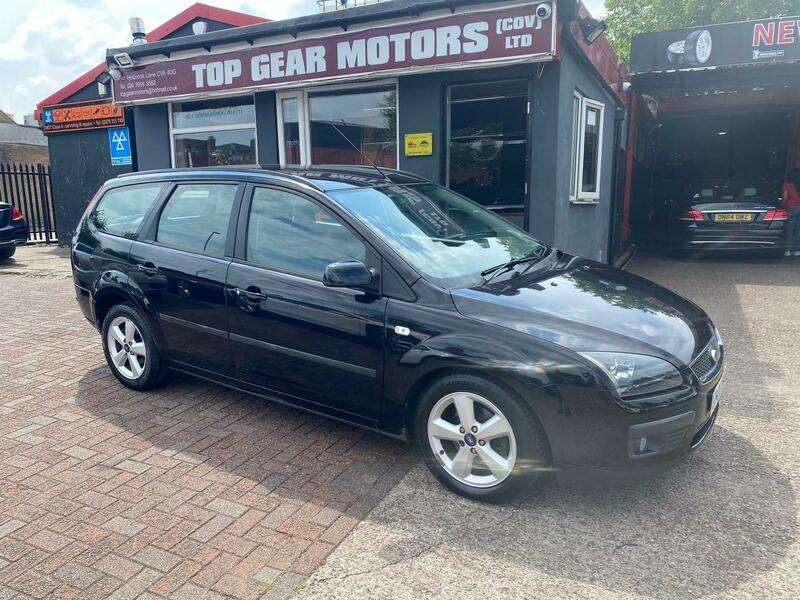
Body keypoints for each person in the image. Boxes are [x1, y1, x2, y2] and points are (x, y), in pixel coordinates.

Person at [782, 168, 800, 257]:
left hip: (791, 207)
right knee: (798, 229)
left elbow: (785, 197)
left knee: (790, 229)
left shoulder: (787, 184)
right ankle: (797, 250)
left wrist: (782, 204)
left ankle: (788, 250)